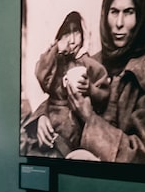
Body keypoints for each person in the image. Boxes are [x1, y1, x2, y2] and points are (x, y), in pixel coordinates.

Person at [63, 0, 145, 163]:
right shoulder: (91, 62)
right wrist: (40, 120)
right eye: (114, 12)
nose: (119, 23)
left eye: (129, 12)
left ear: (142, 16)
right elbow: (55, 99)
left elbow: (143, 154)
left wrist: (89, 118)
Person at [21, 11, 108, 157]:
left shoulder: (88, 63)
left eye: (77, 33)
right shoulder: (56, 61)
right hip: (51, 118)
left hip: (74, 123)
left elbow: (104, 91)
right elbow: (41, 76)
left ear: (83, 35)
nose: (72, 40)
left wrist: (91, 89)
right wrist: (56, 49)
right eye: (67, 34)